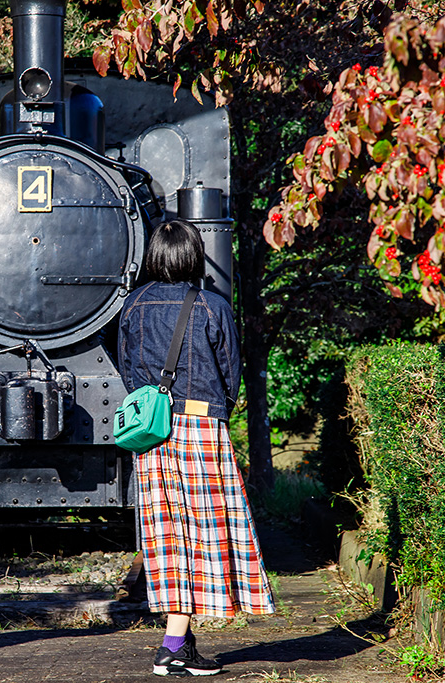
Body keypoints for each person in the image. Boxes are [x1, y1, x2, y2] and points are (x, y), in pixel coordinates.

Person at [117, 219, 275, 677]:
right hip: (201, 428)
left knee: (167, 536)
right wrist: (214, 412)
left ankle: (180, 645)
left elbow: (130, 374)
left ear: (154, 256)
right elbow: (231, 377)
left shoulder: (132, 306)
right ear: (193, 256)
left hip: (152, 430)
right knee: (205, 535)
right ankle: (171, 647)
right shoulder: (212, 305)